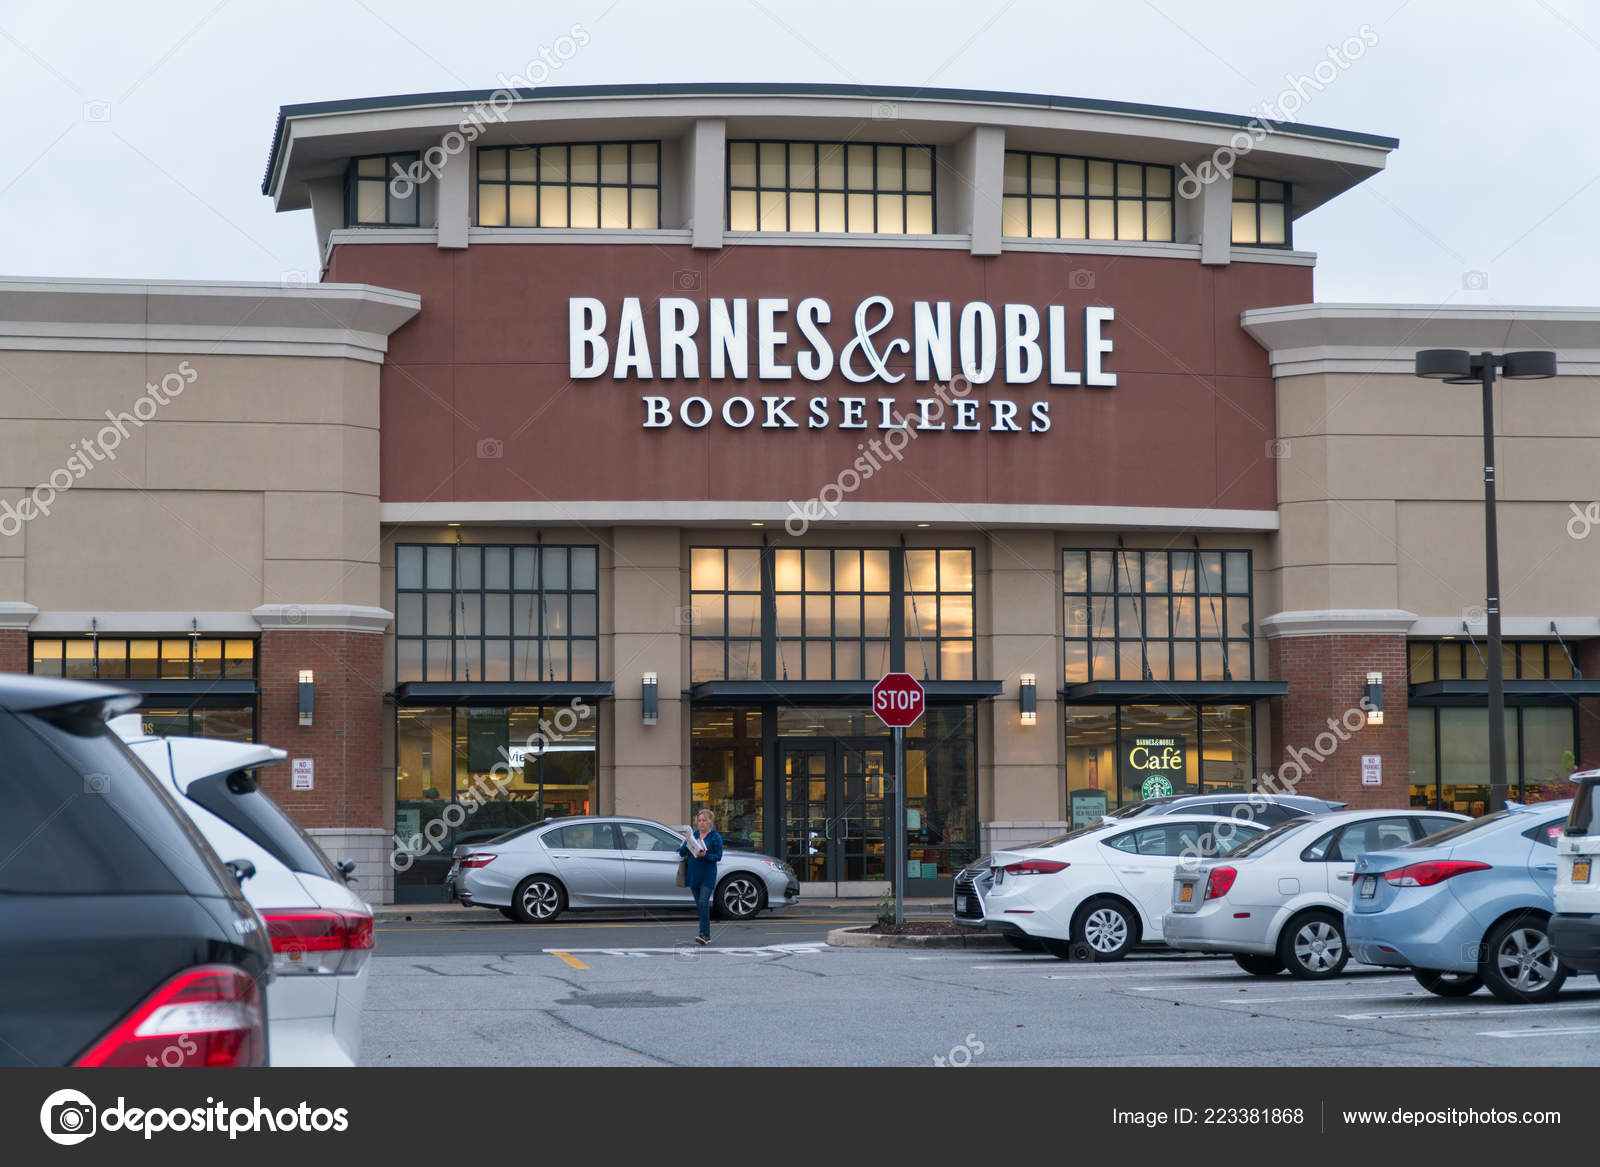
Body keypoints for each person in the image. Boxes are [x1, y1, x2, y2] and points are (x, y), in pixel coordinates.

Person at [679, 808, 724, 944]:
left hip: (707, 875)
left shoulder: (715, 837)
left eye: (704, 820)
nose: (701, 823)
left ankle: (704, 935)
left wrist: (706, 855)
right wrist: (687, 842)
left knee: (704, 903)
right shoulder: (695, 835)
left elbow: (718, 856)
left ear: (710, 821)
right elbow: (681, 853)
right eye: (699, 820)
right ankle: (704, 933)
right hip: (694, 874)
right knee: (700, 905)